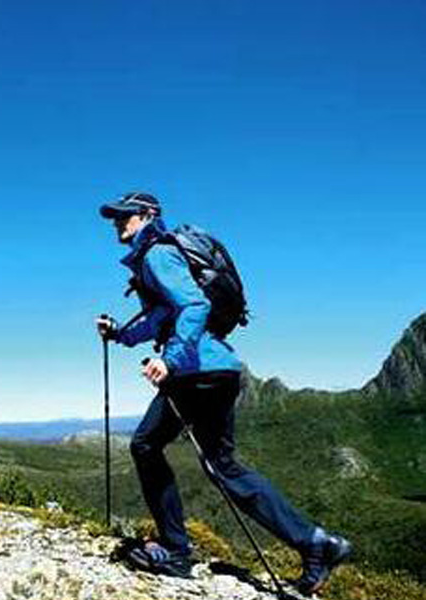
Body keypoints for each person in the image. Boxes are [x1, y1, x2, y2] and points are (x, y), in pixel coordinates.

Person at [96, 191, 351, 595]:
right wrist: (120, 335)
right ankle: (316, 543)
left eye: (124, 215)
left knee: (145, 445)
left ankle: (176, 550)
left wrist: (170, 360)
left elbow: (194, 306)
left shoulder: (157, 255)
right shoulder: (159, 256)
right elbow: (161, 316)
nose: (117, 222)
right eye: (114, 217)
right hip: (219, 370)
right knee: (223, 466)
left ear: (147, 215)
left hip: (195, 371)